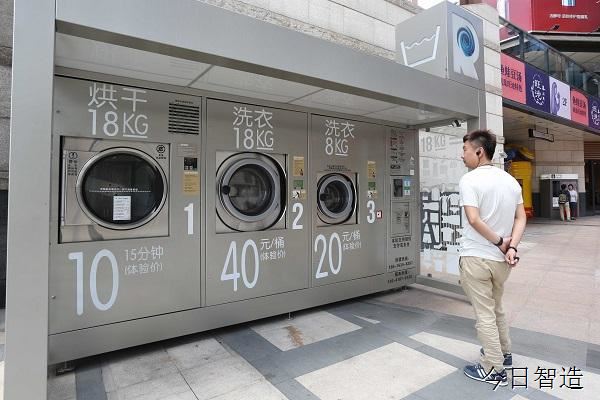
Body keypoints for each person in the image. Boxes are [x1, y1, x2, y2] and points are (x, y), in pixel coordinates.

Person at [458, 130, 526, 387]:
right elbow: (521, 217)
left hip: (477, 257)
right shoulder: (510, 181)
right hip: (500, 262)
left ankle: (493, 368)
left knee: (484, 314)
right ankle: (504, 353)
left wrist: (499, 242)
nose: (462, 155)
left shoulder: (469, 180)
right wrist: (511, 247)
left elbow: (473, 219)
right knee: (496, 308)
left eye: (465, 150)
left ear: (479, 151)